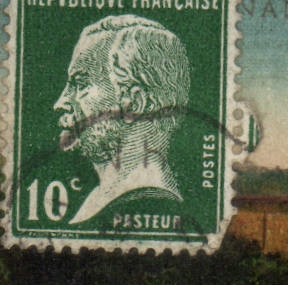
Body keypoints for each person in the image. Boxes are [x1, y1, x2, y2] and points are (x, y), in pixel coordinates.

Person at [53, 15, 191, 225]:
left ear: (134, 103)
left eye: (81, 84)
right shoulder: (100, 198)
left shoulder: (145, 200)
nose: (60, 102)